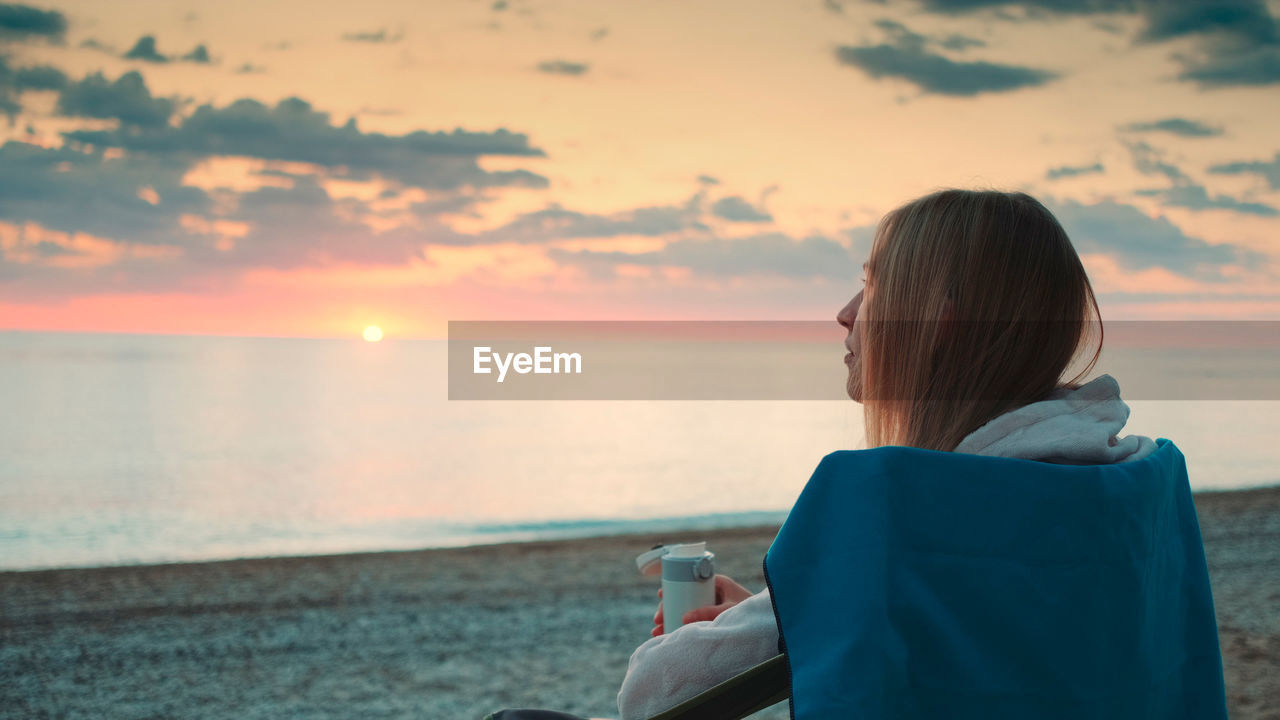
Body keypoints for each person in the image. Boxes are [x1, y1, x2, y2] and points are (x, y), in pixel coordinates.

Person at [615, 189, 1158, 720]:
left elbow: (651, 695)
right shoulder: (1123, 483)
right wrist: (797, 616)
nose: (844, 314)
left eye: (872, 288)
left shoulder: (898, 508)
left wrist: (778, 618)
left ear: (936, 322)